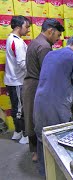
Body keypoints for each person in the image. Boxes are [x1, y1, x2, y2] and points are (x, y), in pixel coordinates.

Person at [33, 35, 73, 176]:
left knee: (42, 138)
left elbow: (58, 75)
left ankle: (44, 174)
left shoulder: (50, 54)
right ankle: (59, 175)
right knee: (59, 143)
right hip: (56, 106)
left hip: (39, 102)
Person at [23, 19, 64, 169]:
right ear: (50, 31)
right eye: (57, 35)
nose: (58, 39)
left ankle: (34, 151)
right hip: (37, 85)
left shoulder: (35, 41)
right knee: (39, 119)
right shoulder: (44, 47)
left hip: (30, 83)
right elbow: (49, 72)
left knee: (31, 117)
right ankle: (40, 153)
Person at [4, 16, 31, 144]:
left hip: (13, 79)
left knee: (16, 107)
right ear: (18, 27)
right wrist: (32, 74)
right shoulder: (18, 42)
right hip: (18, 80)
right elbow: (22, 63)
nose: (28, 30)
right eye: (26, 27)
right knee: (21, 109)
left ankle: (17, 132)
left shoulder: (11, 39)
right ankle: (25, 135)